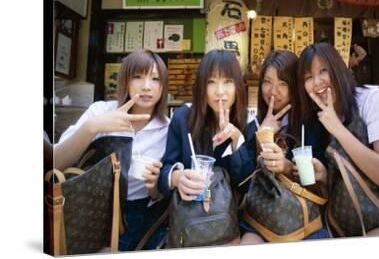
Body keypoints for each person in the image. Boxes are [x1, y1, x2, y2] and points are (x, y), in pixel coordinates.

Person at [54, 49, 170, 251]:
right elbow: (56, 162)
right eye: (138, 77)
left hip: (137, 214)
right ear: (125, 80)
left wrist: (154, 188)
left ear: (163, 87)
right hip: (88, 206)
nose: (146, 86)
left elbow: (160, 195)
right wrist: (92, 128)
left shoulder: (168, 129)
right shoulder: (101, 111)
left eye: (155, 79)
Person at [297, 42, 379, 236]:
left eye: (323, 71)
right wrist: (325, 177)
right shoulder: (320, 118)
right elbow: (352, 183)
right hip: (342, 227)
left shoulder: (372, 99)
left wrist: (338, 129)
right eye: (308, 77)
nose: (317, 81)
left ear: (338, 69)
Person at [240, 50, 329, 244]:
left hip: (303, 216)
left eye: (283, 83)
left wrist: (288, 167)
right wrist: (260, 139)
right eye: (267, 82)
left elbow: (321, 183)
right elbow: (244, 182)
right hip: (262, 217)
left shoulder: (312, 124)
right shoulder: (253, 126)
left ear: (295, 87)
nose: (273, 91)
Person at [157, 49, 254, 203]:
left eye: (228, 81)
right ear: (201, 86)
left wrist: (236, 139)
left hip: (230, 220)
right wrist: (177, 178)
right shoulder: (183, 117)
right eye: (211, 82)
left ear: (238, 86)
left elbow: (246, 184)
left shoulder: (247, 122)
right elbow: (164, 172)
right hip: (189, 217)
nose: (220, 91)